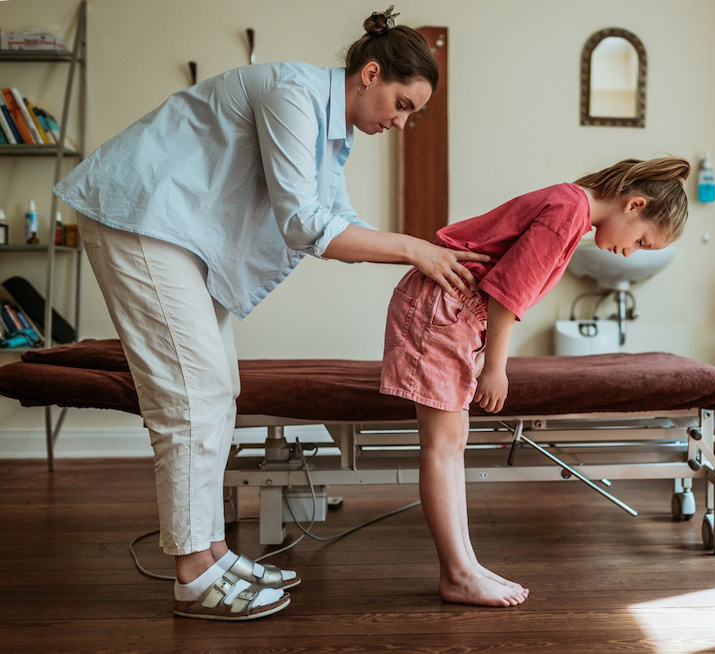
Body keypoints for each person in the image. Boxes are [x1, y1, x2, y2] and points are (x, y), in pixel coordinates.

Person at [52, 7, 489, 621]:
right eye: (403, 103)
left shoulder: (330, 136)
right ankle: (191, 575)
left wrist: (425, 254)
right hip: (136, 218)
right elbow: (304, 224)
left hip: (174, 235)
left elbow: (342, 225)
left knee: (217, 388)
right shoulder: (293, 94)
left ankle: (213, 554)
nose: (402, 121)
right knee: (190, 394)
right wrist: (414, 249)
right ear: (370, 73)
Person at [380, 156, 690, 607]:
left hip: (454, 312)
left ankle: (465, 564)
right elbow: (507, 294)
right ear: (633, 204)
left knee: (452, 444)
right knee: (442, 446)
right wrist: (495, 368)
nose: (632, 251)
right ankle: (457, 573)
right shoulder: (567, 210)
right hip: (444, 309)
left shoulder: (571, 209)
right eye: (641, 239)